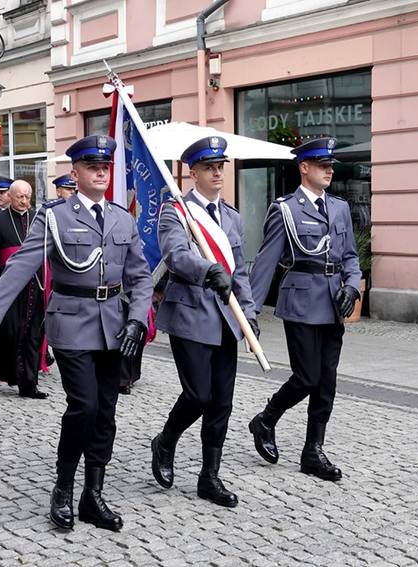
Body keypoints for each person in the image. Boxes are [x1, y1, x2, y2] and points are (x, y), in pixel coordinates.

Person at [0, 135, 152, 532]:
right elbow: (20, 267)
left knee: (106, 411)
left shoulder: (122, 218)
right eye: (92, 166)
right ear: (76, 173)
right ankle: (63, 490)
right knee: (83, 406)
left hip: (114, 326)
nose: (101, 171)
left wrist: (137, 318)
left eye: (106, 166)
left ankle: (92, 495)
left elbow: (140, 276)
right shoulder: (53, 218)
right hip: (71, 322)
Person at [150, 136, 256, 509]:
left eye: (220, 166)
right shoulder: (176, 211)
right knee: (198, 394)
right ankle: (166, 440)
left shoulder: (231, 216)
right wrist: (208, 269)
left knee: (221, 402)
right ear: (192, 172)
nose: (217, 172)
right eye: (209, 167)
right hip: (191, 313)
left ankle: (209, 476)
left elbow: (239, 270)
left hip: (227, 317)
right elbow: (176, 256)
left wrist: (250, 313)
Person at [247, 137, 361, 482]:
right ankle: (266, 419)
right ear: (304, 168)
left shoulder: (339, 208)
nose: (329, 170)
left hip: (332, 305)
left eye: (331, 165)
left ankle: (313, 450)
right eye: (322, 165)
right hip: (300, 302)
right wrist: (248, 312)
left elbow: (351, 257)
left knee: (327, 381)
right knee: (307, 377)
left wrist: (352, 286)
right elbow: (265, 262)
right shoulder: (285, 209)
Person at [0, 179, 47, 399]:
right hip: (7, 286)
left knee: (32, 334)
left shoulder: (38, 220)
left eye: (28, 197)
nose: (24, 201)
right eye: (20, 196)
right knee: (9, 333)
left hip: (35, 285)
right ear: (10, 196)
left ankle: (29, 383)